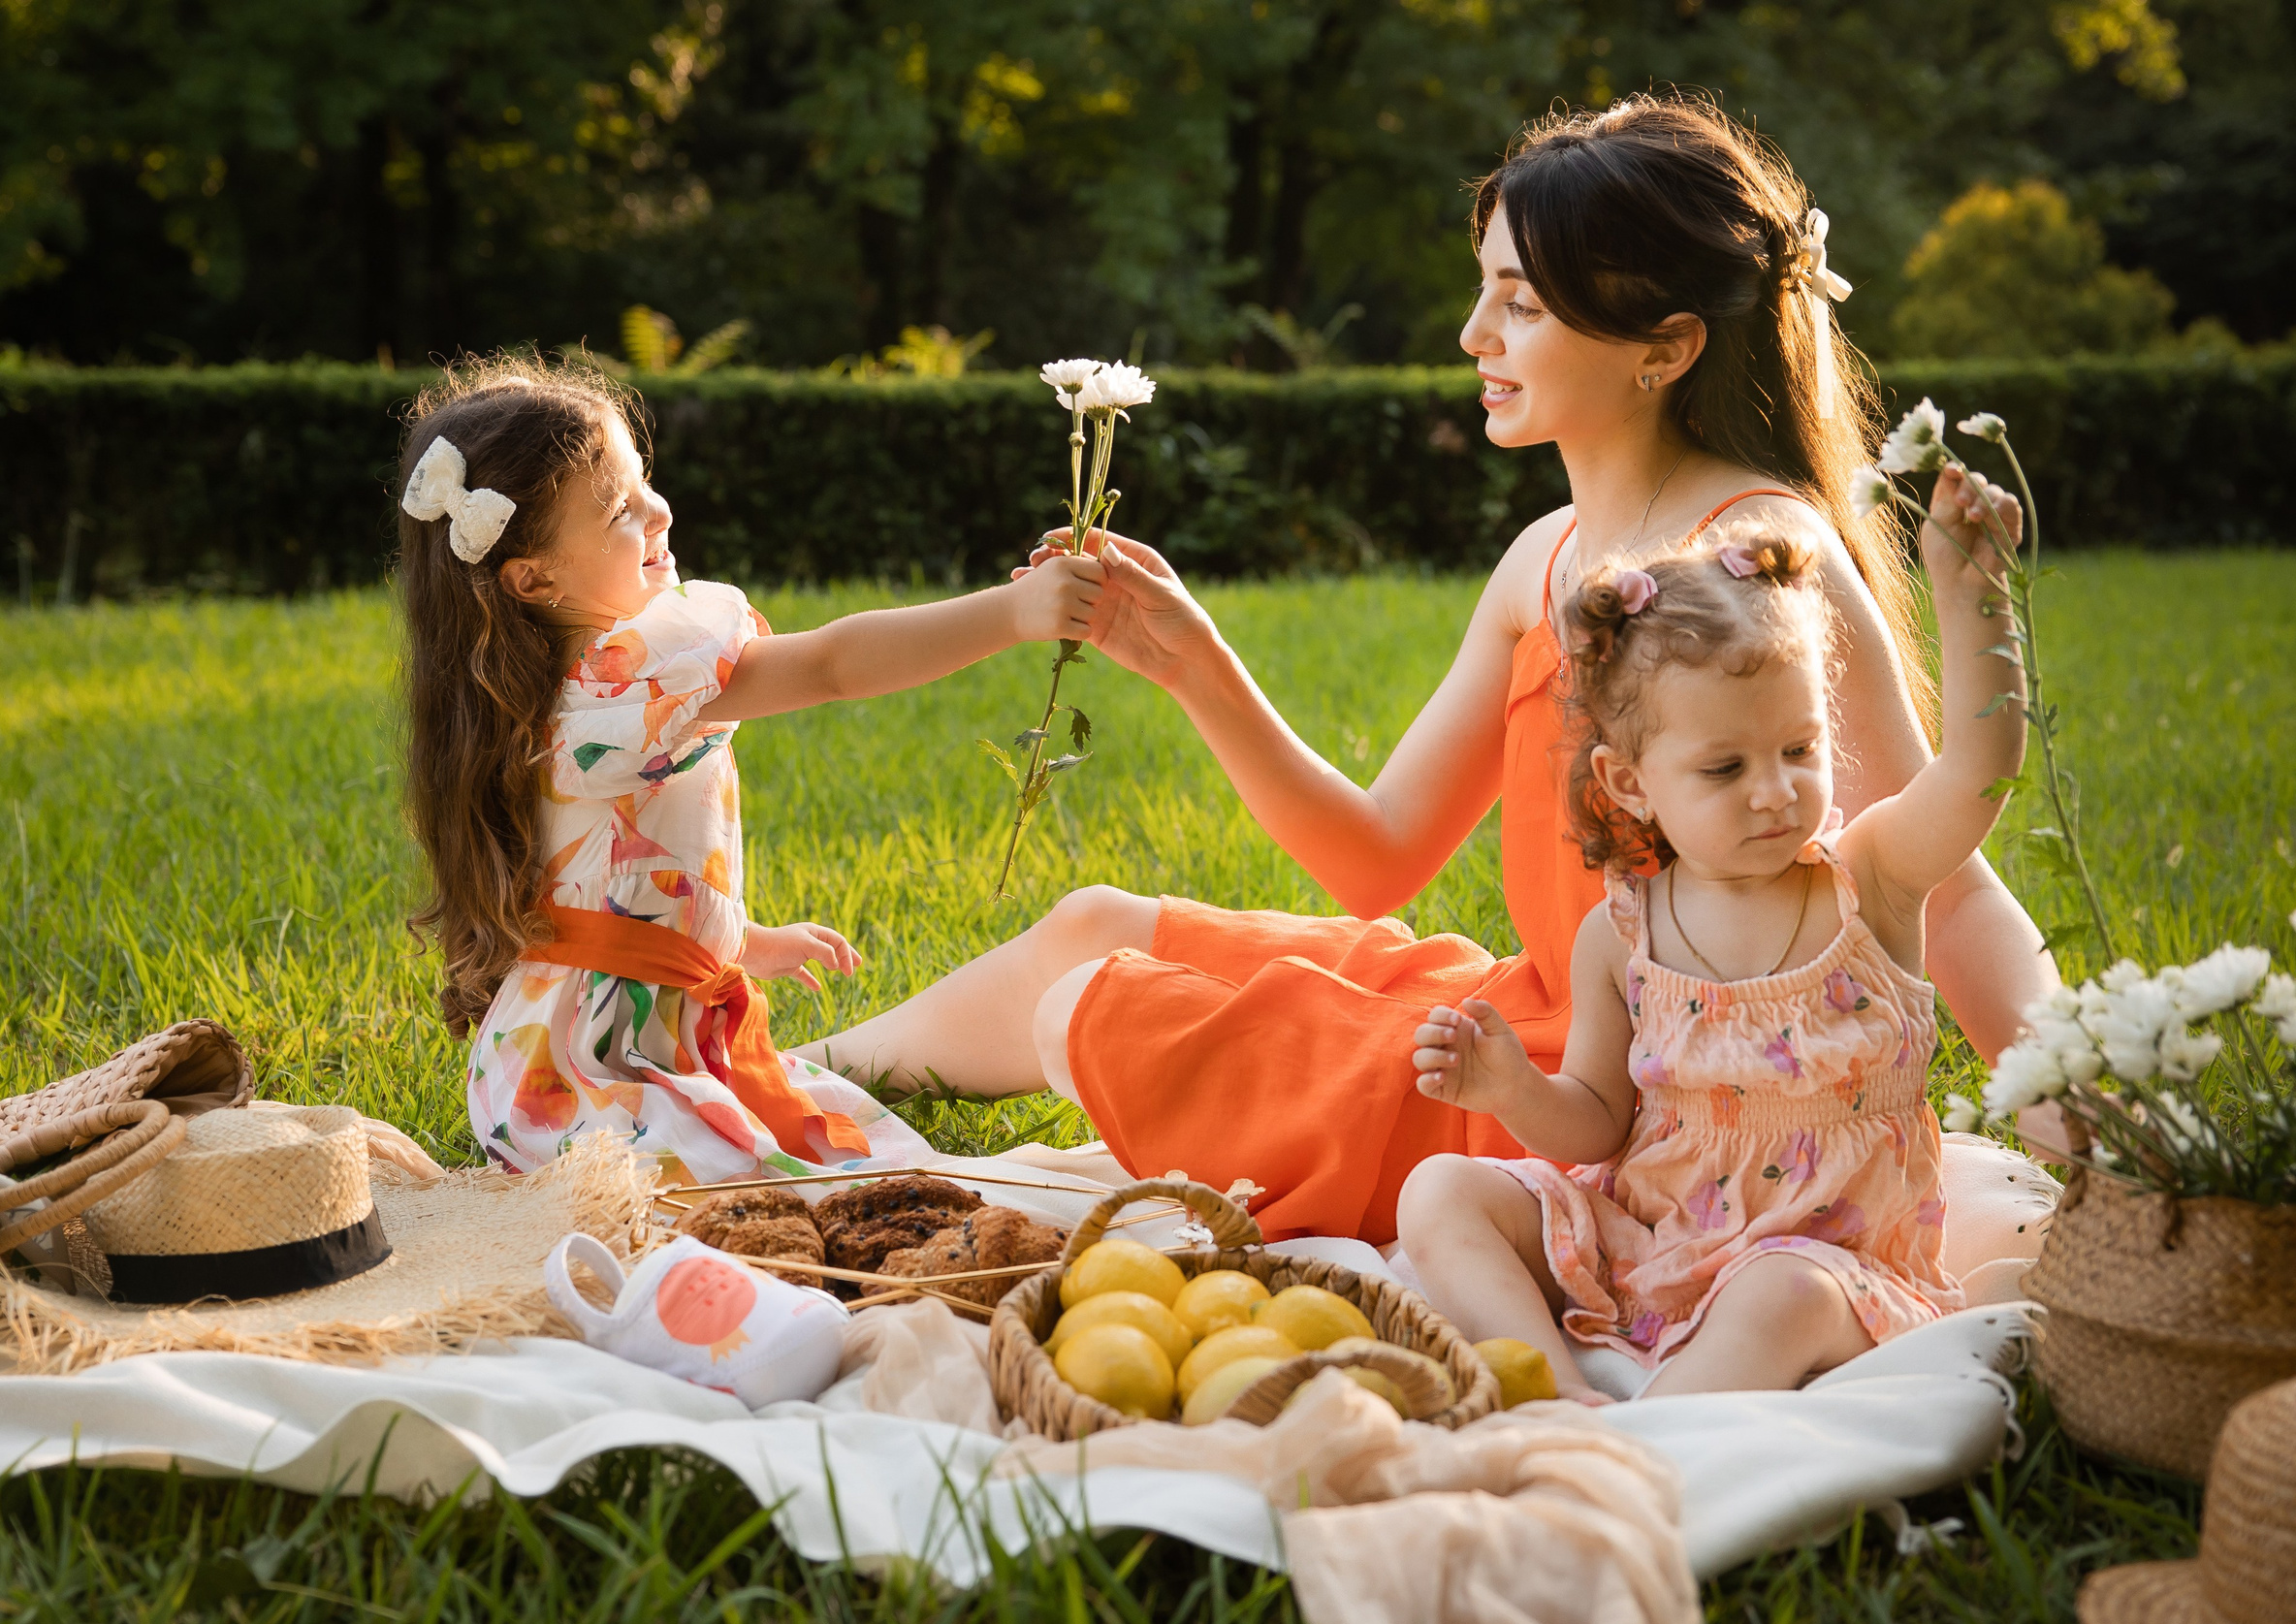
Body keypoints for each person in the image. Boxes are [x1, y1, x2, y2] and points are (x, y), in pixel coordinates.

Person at [799, 95, 2057, 1245]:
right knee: (1091, 925)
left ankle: (779, 1094)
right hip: (1537, 1015)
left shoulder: (1760, 556)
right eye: (1485, 289)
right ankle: (764, 1073)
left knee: (1098, 1003)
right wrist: (1191, 660)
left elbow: (1944, 886)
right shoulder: (1541, 558)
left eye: (1520, 301)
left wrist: (2084, 1114)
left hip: (1611, 1098)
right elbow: (1377, 854)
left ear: (1661, 346)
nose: (1475, 333)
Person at [395, 354, 1104, 1183]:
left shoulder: (526, 688)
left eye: (645, 479)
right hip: (592, 1078)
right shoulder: (630, 686)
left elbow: (594, 882)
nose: (659, 509)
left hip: (573, 1047)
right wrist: (1012, 611)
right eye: (623, 507)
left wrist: (735, 940)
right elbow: (836, 664)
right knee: (809, 1185)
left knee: (843, 1157)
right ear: (534, 577)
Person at [1400, 495, 2022, 1402]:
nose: (1774, 792)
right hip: (1652, 1244)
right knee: (1439, 1190)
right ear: (1631, 781)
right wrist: (1512, 1090)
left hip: (1829, 1262)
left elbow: (1976, 772)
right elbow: (1599, 1121)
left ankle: (1662, 1436)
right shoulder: (1621, 935)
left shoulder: (1869, 879)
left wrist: (1975, 599)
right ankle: (1554, 1393)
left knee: (1779, 1294)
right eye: (1725, 768)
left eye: (1800, 749)